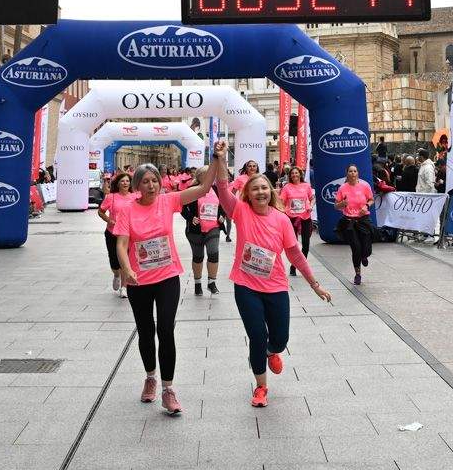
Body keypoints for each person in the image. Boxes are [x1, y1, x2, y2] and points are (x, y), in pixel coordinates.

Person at [214, 159, 333, 407]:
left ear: (271, 192)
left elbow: (295, 254)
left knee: (280, 339)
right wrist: (220, 160)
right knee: (257, 336)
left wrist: (314, 284)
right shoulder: (240, 212)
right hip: (246, 285)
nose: (260, 192)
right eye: (255, 188)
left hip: (276, 286)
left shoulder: (281, 219)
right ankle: (261, 387)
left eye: (264, 188)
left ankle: (272, 351)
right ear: (248, 193)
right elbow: (223, 190)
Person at [114, 150, 224, 417]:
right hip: (138, 280)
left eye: (154, 180)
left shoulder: (168, 201)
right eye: (145, 181)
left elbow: (204, 187)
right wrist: (127, 270)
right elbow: (121, 243)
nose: (150, 185)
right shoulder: (128, 209)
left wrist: (216, 159)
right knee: (145, 330)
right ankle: (150, 376)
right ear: (137, 186)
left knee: (165, 329)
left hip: (167, 277)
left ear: (160, 183)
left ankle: (168, 389)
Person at [182, 170, 221, 298]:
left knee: (213, 253)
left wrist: (222, 216)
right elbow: (182, 206)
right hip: (195, 230)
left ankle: (211, 282)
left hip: (213, 227)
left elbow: (224, 205)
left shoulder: (216, 189)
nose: (210, 177)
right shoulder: (192, 189)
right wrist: (190, 217)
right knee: (198, 257)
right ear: (200, 177)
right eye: (207, 175)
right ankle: (198, 284)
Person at [336, 164, 377, 286]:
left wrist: (366, 206)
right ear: (347, 174)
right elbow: (336, 205)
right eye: (350, 171)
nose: (353, 173)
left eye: (355, 171)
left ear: (358, 173)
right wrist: (342, 203)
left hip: (363, 219)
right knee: (356, 248)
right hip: (349, 221)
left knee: (366, 248)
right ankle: (357, 274)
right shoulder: (343, 188)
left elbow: (371, 199)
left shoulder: (365, 186)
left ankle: (365, 255)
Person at [98, 170, 134, 295]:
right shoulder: (111, 197)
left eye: (127, 181)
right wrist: (109, 220)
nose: (125, 183)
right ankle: (116, 275)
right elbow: (100, 212)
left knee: (125, 260)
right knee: (114, 261)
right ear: (118, 184)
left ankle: (124, 287)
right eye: (122, 181)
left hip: (127, 234)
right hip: (112, 232)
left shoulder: (135, 197)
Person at [279, 166, 314, 274]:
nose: (294, 175)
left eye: (296, 173)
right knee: (293, 245)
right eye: (292, 173)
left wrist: (311, 206)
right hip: (291, 219)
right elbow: (281, 202)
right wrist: (283, 212)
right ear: (290, 176)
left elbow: (312, 198)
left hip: (305, 218)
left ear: (300, 174)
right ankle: (294, 265)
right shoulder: (287, 187)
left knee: (306, 245)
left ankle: (300, 266)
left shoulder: (306, 186)